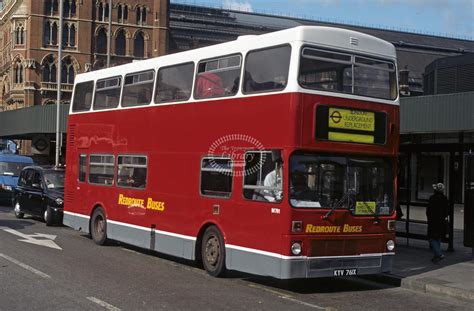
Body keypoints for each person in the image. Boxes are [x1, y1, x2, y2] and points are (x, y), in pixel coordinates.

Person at [426, 183, 449, 263]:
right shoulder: (444, 198)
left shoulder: (432, 198)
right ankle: (436, 256)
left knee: (431, 238)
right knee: (438, 237)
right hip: (441, 221)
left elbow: (428, 211)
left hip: (433, 221)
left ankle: (439, 254)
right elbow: (447, 211)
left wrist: (429, 218)